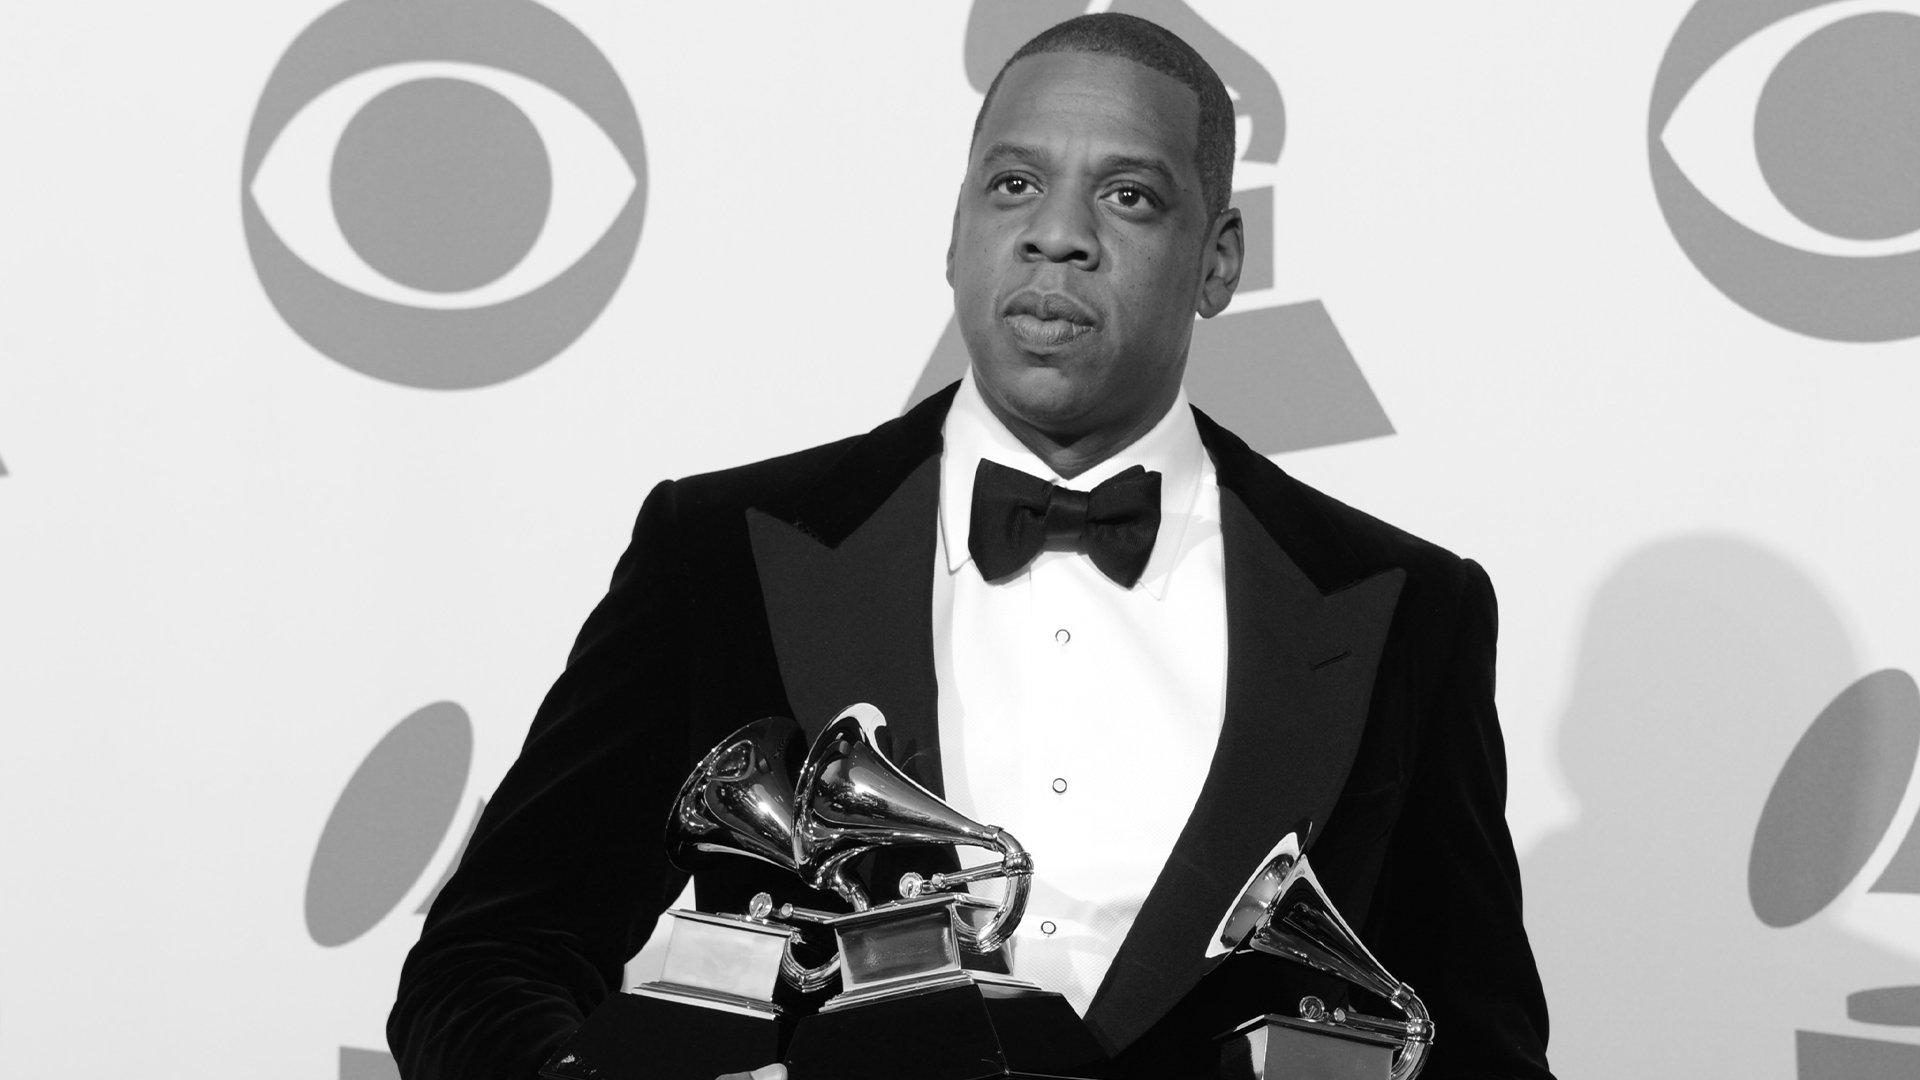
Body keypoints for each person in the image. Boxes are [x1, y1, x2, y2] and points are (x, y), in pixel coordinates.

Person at [389, 13, 1554, 1080]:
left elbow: (1476, 1043)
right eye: (1013, 183)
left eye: (1131, 198)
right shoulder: (720, 552)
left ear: (1221, 260)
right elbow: (489, 959)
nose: (1057, 237)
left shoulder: (1408, 606)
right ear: (954, 230)